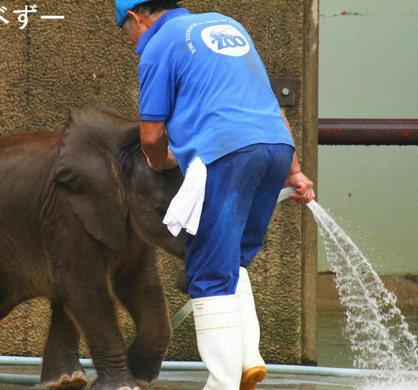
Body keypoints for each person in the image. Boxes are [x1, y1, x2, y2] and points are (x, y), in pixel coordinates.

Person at [115, 1, 315, 389]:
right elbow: (269, 100)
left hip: (226, 153)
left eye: (125, 30)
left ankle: (222, 383)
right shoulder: (228, 25)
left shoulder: (157, 47)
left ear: (136, 18)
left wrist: (159, 164)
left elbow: (152, 136)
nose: (130, 39)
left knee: (207, 271)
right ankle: (247, 361)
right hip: (275, 148)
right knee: (233, 261)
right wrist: (295, 170)